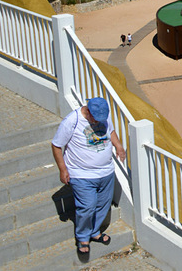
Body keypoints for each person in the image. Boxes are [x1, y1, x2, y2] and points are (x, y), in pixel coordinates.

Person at [51, 98, 125, 256]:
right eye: (95, 118)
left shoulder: (103, 116)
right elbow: (57, 145)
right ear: (88, 111)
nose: (98, 121)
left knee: (103, 205)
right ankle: (83, 237)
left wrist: (118, 146)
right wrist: (62, 169)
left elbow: (110, 131)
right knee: (87, 206)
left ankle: (94, 231)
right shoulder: (72, 121)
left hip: (106, 172)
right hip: (81, 174)